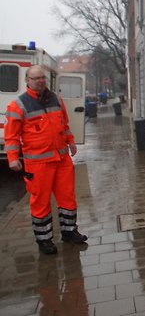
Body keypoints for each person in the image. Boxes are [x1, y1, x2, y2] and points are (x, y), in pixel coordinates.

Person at [4, 65, 87, 255]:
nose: (40, 81)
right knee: (40, 202)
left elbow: (64, 125)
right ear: (27, 81)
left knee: (68, 197)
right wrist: (12, 158)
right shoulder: (18, 105)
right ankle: (44, 240)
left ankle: (69, 232)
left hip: (62, 160)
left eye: (42, 77)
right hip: (38, 165)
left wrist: (71, 143)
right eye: (36, 78)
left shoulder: (56, 99)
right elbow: (11, 137)